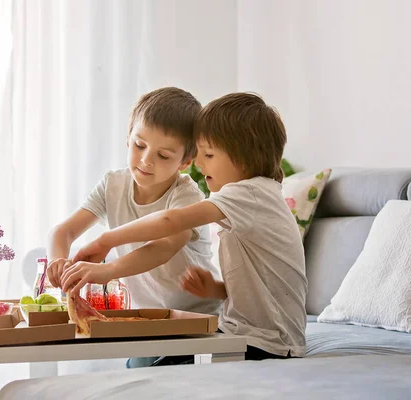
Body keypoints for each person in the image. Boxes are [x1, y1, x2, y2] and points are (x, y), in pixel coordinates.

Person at [68, 92, 307, 361]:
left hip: (267, 343)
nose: (200, 163)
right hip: (244, 333)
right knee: (148, 362)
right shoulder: (253, 197)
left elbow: (170, 220)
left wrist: (106, 241)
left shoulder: (250, 193)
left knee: (160, 368)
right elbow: (261, 289)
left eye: (208, 154)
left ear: (243, 158)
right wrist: (215, 289)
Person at [46, 87, 222, 367]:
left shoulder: (186, 195)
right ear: (128, 139)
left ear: (186, 161)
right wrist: (58, 260)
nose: (146, 160)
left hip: (197, 323)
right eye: (140, 145)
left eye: (163, 156)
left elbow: (163, 247)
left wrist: (106, 270)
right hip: (148, 322)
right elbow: (63, 232)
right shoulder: (113, 185)